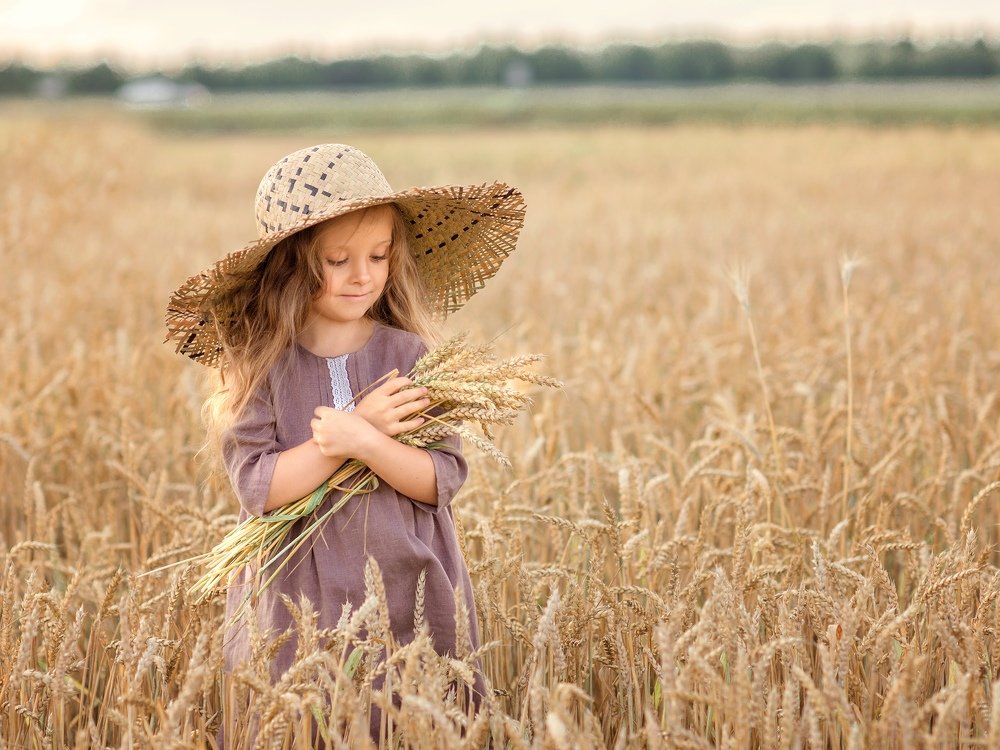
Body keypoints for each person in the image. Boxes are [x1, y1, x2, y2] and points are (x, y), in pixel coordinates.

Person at [164, 143, 525, 747]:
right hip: (294, 600)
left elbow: (440, 480)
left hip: (404, 582)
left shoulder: (409, 358)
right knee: (300, 719)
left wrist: (366, 438)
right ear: (290, 267)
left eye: (379, 255)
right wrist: (342, 439)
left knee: (408, 717)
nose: (363, 274)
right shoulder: (262, 371)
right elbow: (262, 488)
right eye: (338, 260)